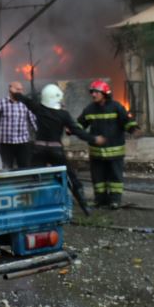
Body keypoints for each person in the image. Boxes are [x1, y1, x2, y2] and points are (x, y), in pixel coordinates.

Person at [14, 84, 103, 215]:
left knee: (34, 178)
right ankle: (85, 207)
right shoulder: (64, 115)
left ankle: (31, 209)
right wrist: (94, 139)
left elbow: (26, 101)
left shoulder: (38, 109)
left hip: (39, 149)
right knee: (70, 178)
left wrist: (16, 93)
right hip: (56, 151)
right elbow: (78, 131)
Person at [78, 80, 140, 209]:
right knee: (98, 178)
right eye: (92, 92)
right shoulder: (89, 109)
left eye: (96, 92)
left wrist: (133, 129)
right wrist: (71, 129)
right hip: (97, 152)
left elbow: (126, 121)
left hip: (115, 151)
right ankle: (100, 200)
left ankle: (115, 200)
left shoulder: (116, 107)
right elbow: (80, 124)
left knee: (115, 177)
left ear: (105, 93)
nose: (93, 95)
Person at [0, 81, 37, 170]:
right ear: (10, 89)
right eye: (18, 89)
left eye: (21, 90)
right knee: (7, 167)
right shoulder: (1, 103)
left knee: (24, 167)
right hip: (6, 143)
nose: (20, 92)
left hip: (23, 143)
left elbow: (33, 121)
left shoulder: (25, 104)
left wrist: (39, 136)